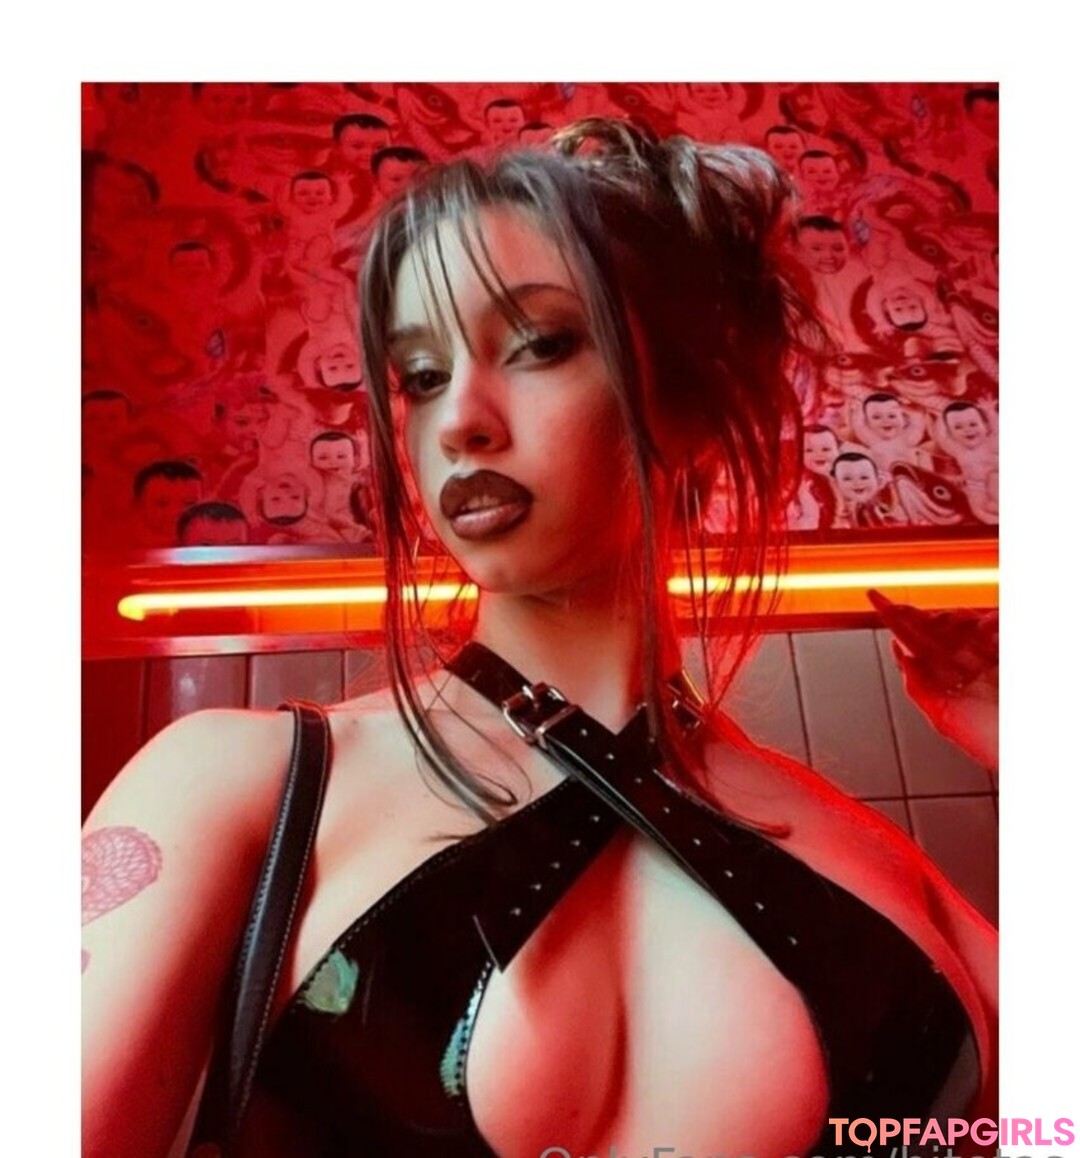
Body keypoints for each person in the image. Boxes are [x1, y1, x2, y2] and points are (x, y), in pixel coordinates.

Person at [82, 120, 996, 1158]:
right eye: (420, 374)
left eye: (541, 344)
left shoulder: (882, 871)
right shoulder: (242, 785)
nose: (458, 421)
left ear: (692, 399)